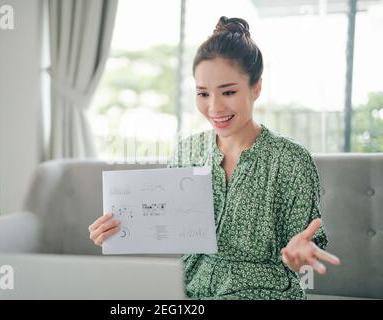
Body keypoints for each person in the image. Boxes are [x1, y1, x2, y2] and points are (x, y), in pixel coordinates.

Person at [88, 16, 340, 300]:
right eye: (202, 93)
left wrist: (300, 254)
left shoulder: (291, 160)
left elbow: (307, 243)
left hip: (262, 293)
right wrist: (117, 231)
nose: (214, 107)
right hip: (186, 291)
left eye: (229, 92)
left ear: (256, 87)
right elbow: (163, 225)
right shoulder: (187, 152)